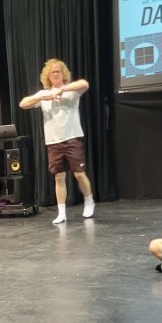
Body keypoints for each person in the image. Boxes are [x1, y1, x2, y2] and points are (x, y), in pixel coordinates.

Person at [18, 58, 95, 225]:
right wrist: (45, 96)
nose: (56, 74)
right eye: (53, 72)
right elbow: (23, 104)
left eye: (58, 71)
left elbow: (85, 84)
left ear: (63, 74)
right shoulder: (43, 94)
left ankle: (89, 201)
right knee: (59, 177)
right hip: (53, 142)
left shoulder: (72, 90)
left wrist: (62, 90)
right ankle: (62, 213)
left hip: (72, 138)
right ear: (48, 76)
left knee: (79, 174)